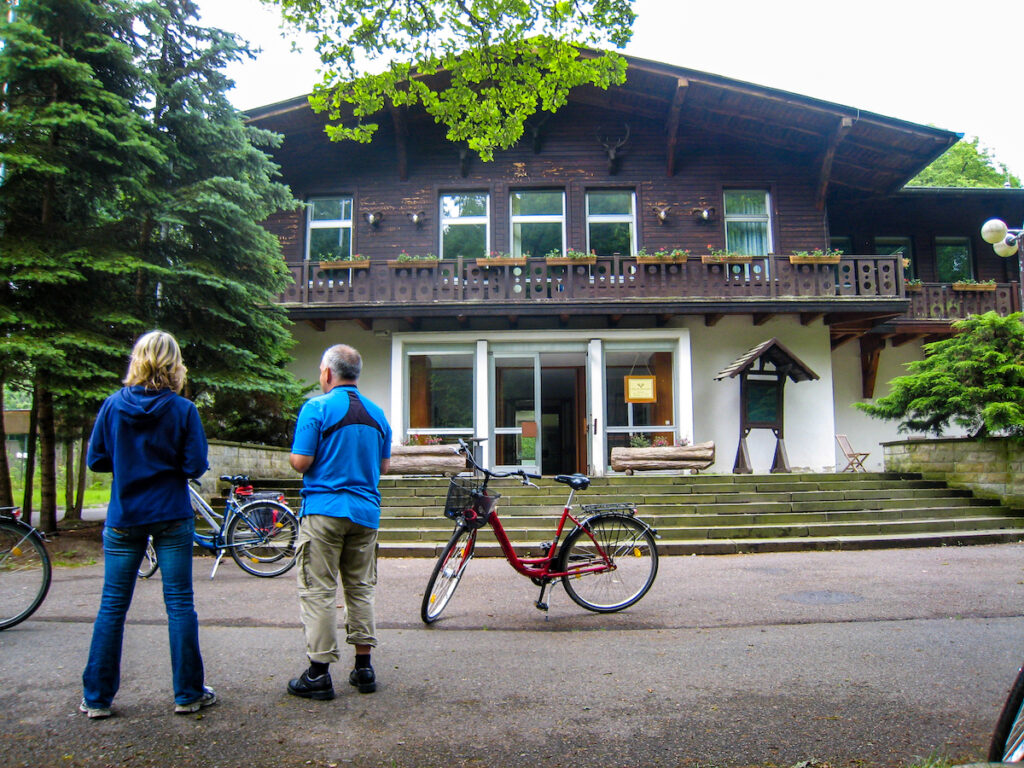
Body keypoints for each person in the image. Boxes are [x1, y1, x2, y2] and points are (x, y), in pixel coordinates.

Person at [80, 331, 214, 719]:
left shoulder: (111, 406)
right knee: (180, 605)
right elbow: (194, 465)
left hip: (125, 517)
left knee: (112, 607)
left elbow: (97, 460)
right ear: (175, 366)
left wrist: (129, 462)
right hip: (171, 515)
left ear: (136, 360)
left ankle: (97, 699)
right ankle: (188, 694)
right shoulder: (183, 410)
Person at [287, 344, 392, 699]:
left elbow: (301, 461)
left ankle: (318, 674)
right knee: (360, 588)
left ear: (328, 373)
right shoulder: (379, 415)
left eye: (320, 370)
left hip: (324, 511)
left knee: (318, 590)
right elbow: (384, 467)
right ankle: (364, 669)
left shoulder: (316, 407)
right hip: (365, 513)